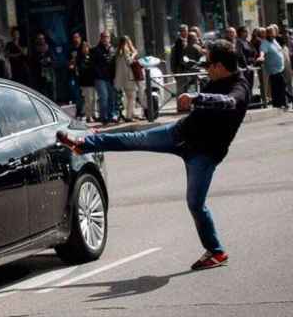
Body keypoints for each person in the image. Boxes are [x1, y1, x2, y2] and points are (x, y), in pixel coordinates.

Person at [60, 40, 250, 270]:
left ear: (220, 66)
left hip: (204, 154)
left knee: (195, 204)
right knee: (133, 139)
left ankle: (216, 252)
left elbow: (229, 102)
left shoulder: (240, 87)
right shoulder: (215, 78)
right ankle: (84, 144)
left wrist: (197, 98)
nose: (206, 68)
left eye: (208, 64)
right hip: (179, 133)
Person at [114, 36, 143, 122]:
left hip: (123, 79)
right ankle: (129, 116)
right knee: (131, 97)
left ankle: (131, 113)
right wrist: (134, 53)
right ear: (127, 42)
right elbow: (129, 61)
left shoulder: (118, 51)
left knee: (129, 97)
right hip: (129, 78)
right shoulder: (125, 50)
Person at [91, 31, 117, 125]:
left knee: (111, 97)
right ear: (101, 38)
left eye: (108, 37)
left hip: (110, 78)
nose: (106, 39)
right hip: (100, 78)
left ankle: (111, 116)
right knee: (104, 97)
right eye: (104, 37)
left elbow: (114, 63)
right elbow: (93, 65)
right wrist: (98, 74)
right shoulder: (95, 50)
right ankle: (104, 117)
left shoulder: (112, 49)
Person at [257, 26, 287, 108]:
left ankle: (282, 103)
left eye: (272, 32)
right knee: (278, 87)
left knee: (281, 86)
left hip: (280, 68)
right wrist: (261, 57)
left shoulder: (274, 41)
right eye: (270, 32)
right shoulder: (265, 43)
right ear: (267, 33)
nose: (272, 34)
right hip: (273, 70)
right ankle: (278, 104)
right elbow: (262, 51)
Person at [77, 41, 96, 122]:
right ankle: (88, 116)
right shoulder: (80, 58)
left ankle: (93, 114)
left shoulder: (91, 56)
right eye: (84, 47)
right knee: (88, 99)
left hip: (93, 81)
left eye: (87, 47)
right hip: (85, 82)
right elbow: (82, 69)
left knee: (94, 99)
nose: (85, 49)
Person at [68, 32, 84, 118]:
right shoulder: (71, 49)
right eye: (74, 38)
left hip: (83, 75)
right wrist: (70, 64)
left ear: (80, 38)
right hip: (73, 74)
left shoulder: (83, 47)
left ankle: (83, 110)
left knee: (83, 94)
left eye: (77, 37)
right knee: (75, 92)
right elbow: (68, 61)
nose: (75, 39)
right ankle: (78, 111)